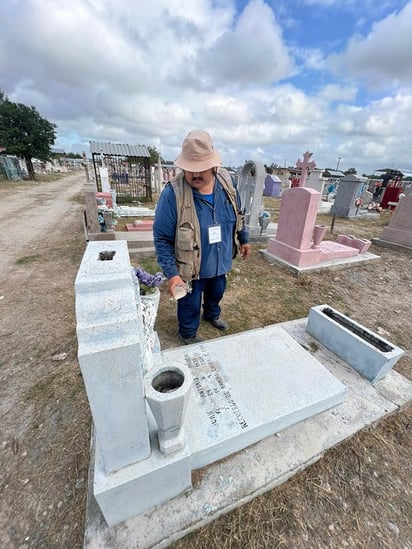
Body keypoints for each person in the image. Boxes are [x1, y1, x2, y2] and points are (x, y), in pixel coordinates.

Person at [153, 130, 250, 345]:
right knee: (190, 302)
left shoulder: (227, 182)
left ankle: (211, 314)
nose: (195, 175)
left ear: (214, 165)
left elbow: (239, 212)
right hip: (191, 266)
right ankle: (187, 333)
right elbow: (161, 238)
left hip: (221, 257)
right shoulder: (172, 194)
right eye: (190, 170)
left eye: (201, 170)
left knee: (217, 290)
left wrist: (244, 238)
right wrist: (172, 275)